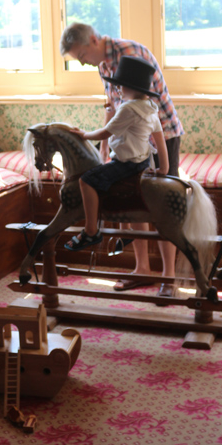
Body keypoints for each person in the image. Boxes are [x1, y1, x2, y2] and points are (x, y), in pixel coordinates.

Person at [60, 22, 183, 296]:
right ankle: (142, 269)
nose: (82, 63)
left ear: (93, 39)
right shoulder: (103, 65)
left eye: (81, 56)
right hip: (128, 142)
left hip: (160, 134)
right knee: (133, 201)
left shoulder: (129, 52)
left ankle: (169, 277)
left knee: (162, 206)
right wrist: (104, 150)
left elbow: (142, 108)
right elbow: (113, 107)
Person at [64, 56, 169, 250]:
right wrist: (164, 167)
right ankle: (126, 229)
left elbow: (105, 132)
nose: (118, 89)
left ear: (132, 88)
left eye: (121, 85)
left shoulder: (128, 109)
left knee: (86, 180)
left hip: (127, 163)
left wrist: (84, 135)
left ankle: (90, 231)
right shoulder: (150, 108)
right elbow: (159, 140)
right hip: (144, 162)